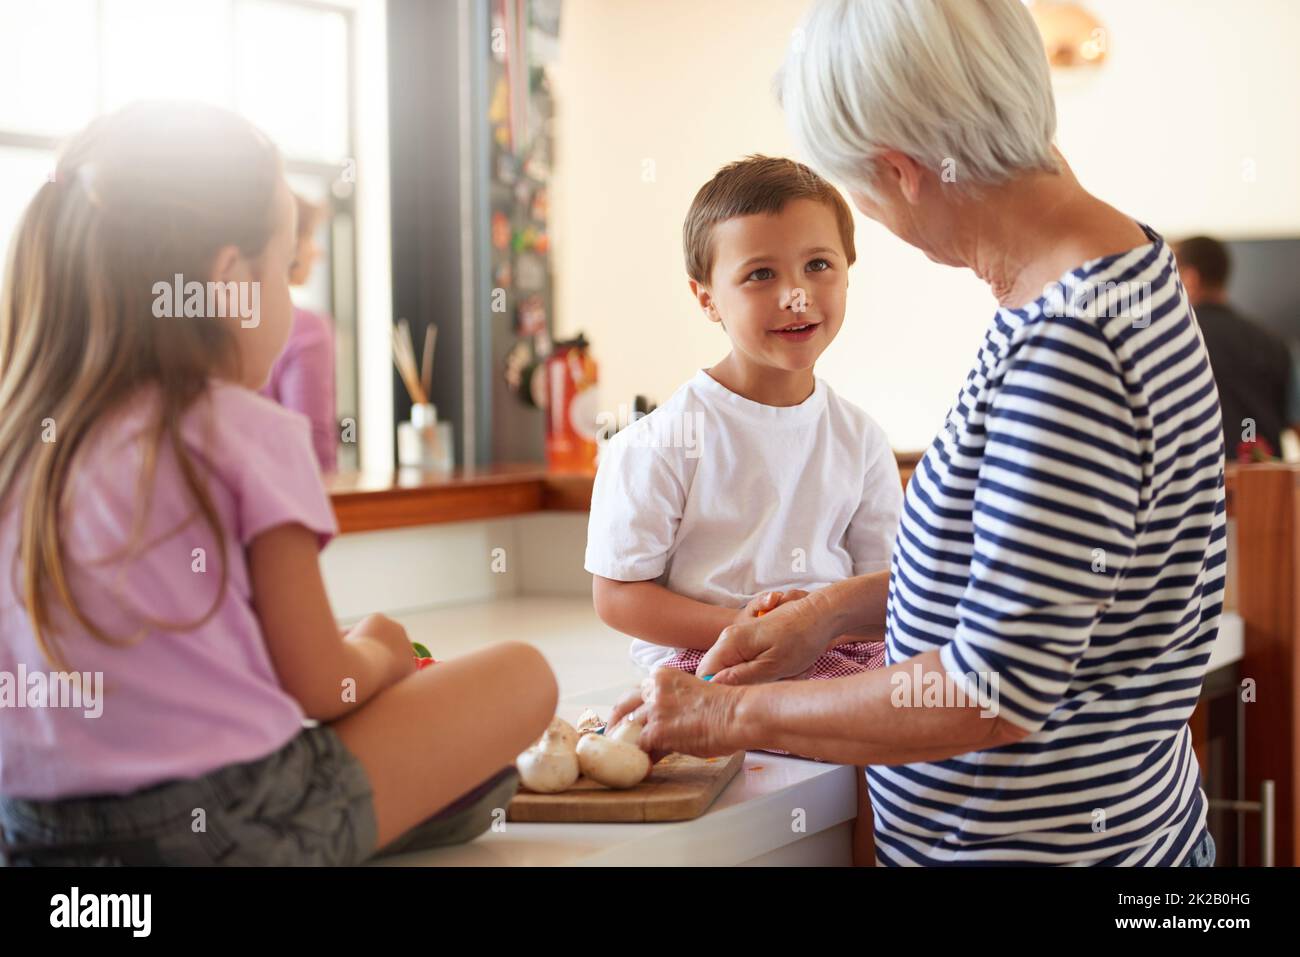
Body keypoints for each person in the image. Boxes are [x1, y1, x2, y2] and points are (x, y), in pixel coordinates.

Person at [610, 0, 1223, 866]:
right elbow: (1031, 580)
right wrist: (828, 612)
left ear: (901, 172)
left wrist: (728, 712)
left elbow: (988, 691)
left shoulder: (1071, 345)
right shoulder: (1111, 270)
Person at [0, 102, 556, 865]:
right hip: (229, 827)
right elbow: (323, 688)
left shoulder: (19, 444)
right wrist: (381, 653)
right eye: (283, 266)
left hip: (30, 835)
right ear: (230, 281)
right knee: (521, 674)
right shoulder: (244, 431)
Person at [586, 155, 902, 693]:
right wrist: (752, 629)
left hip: (839, 651)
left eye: (818, 265)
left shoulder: (861, 438)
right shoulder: (662, 441)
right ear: (707, 298)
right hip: (708, 657)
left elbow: (887, 589)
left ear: (849, 270)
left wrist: (817, 625)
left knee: (923, 709)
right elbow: (618, 597)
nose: (796, 295)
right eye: (761, 274)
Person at [1173, 234, 1291, 459]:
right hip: (1266, 479)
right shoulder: (1272, 342)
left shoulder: (1175, 338)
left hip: (1204, 481)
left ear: (1190, 278)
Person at [259, 193, 339, 472]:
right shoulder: (308, 329)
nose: (317, 252)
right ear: (287, 245)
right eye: (309, 237)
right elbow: (314, 457)